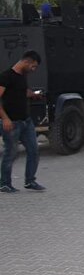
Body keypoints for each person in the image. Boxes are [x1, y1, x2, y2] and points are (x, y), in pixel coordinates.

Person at [0, 51, 45, 193]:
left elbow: (21, 91)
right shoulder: (6, 76)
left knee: (33, 150)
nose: (34, 69)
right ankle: (4, 183)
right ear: (26, 61)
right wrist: (5, 119)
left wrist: (33, 94)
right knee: (11, 153)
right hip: (11, 122)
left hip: (26, 121)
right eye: (33, 66)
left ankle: (30, 181)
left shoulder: (22, 76)